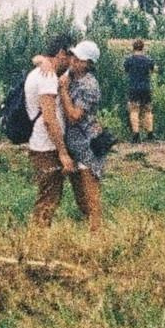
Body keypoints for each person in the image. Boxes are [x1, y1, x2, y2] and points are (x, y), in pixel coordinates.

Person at [25, 31, 81, 230]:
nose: (71, 60)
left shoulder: (48, 73)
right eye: (69, 56)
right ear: (60, 53)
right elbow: (49, 119)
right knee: (47, 200)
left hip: (43, 145)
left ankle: (39, 242)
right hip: (45, 147)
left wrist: (40, 59)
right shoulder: (47, 77)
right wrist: (63, 153)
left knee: (49, 197)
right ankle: (37, 246)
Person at [66, 40, 110, 228]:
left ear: (89, 63)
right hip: (75, 144)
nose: (73, 61)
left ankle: (96, 236)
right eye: (74, 56)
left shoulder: (89, 85)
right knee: (80, 195)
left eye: (79, 59)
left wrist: (62, 91)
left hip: (88, 144)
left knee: (91, 194)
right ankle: (90, 230)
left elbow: (74, 116)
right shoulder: (72, 77)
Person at [121, 37, 156, 140]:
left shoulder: (129, 60)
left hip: (133, 87)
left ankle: (136, 135)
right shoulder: (148, 60)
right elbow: (153, 70)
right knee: (148, 110)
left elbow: (125, 70)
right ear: (143, 48)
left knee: (134, 111)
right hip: (145, 87)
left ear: (133, 48)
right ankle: (150, 134)